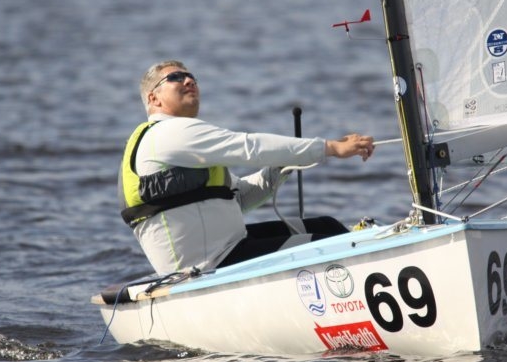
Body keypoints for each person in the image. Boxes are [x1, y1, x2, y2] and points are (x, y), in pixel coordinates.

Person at [118, 60, 375, 275]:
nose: (189, 81)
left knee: (328, 226)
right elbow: (249, 147)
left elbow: (240, 198)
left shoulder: (181, 140)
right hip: (207, 266)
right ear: (153, 98)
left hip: (227, 248)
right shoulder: (166, 133)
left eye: (191, 76)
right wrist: (331, 148)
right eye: (175, 77)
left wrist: (283, 164)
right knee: (328, 245)